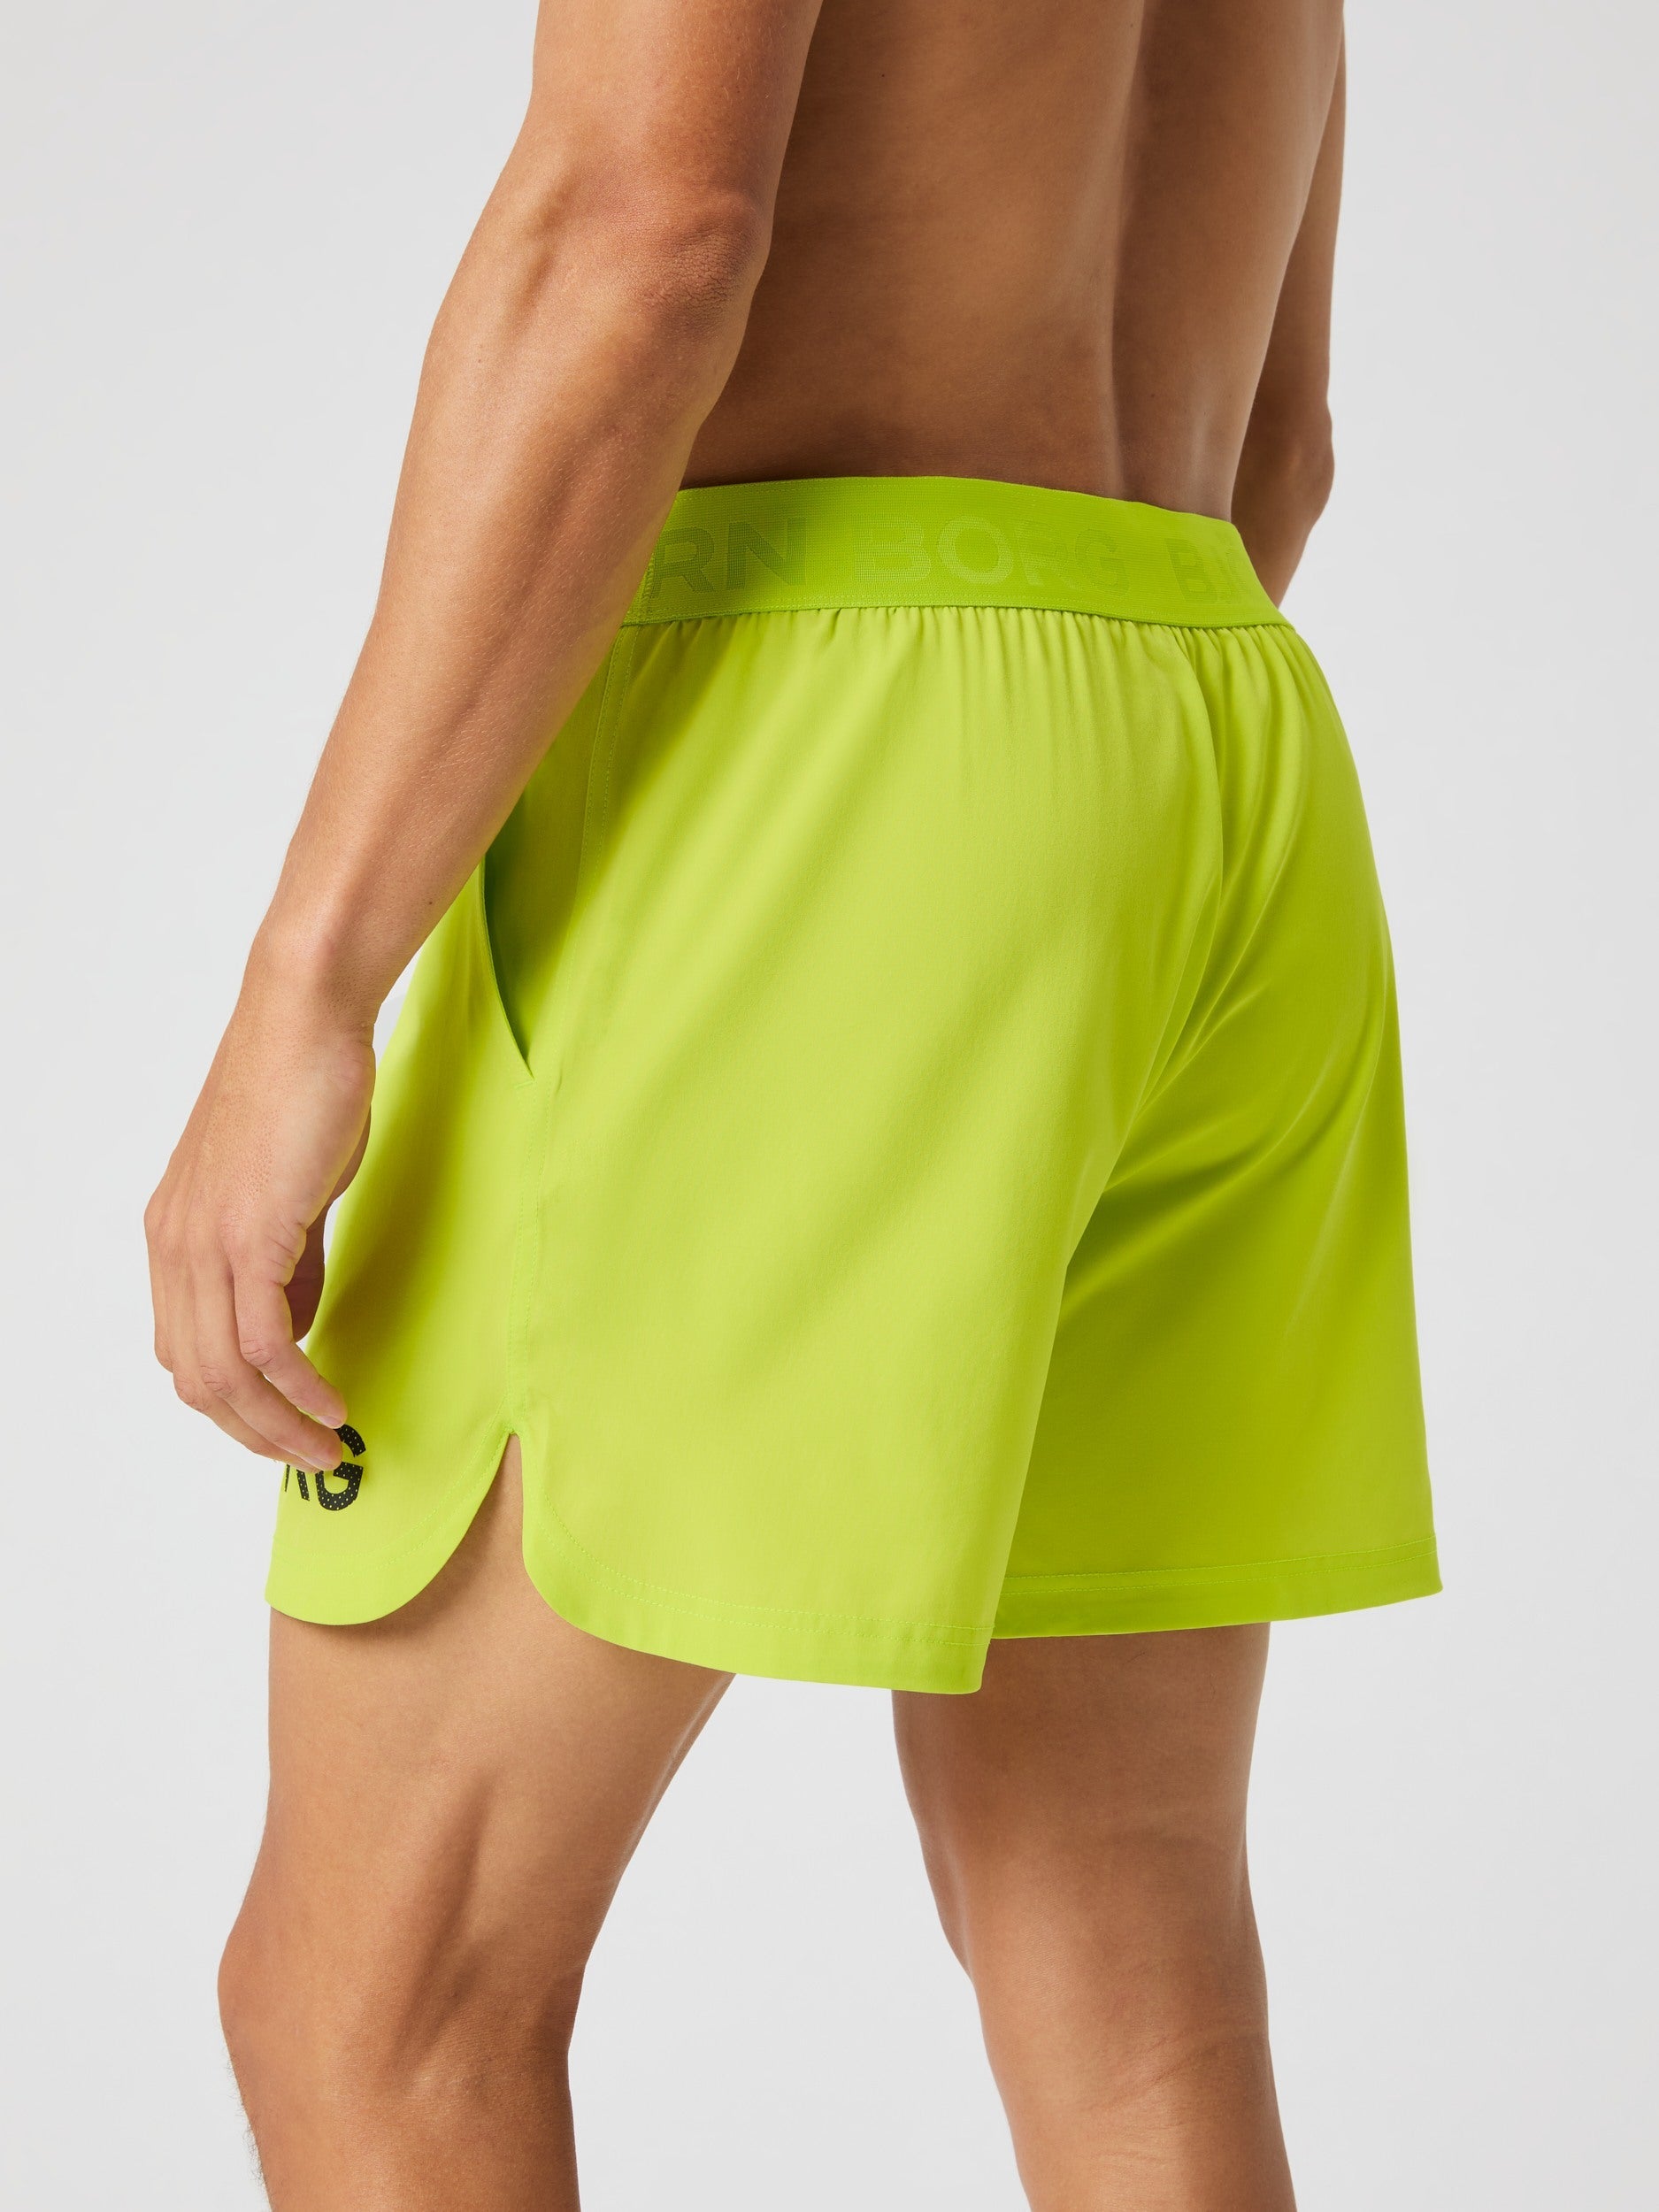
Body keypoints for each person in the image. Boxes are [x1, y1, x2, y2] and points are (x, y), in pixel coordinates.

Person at [145, 0, 1439, 2202]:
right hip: (1211, 724)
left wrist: (309, 978)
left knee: (377, 2000)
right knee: (1122, 1952)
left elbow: (644, 234)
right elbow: (1284, 437)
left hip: (816, 733)